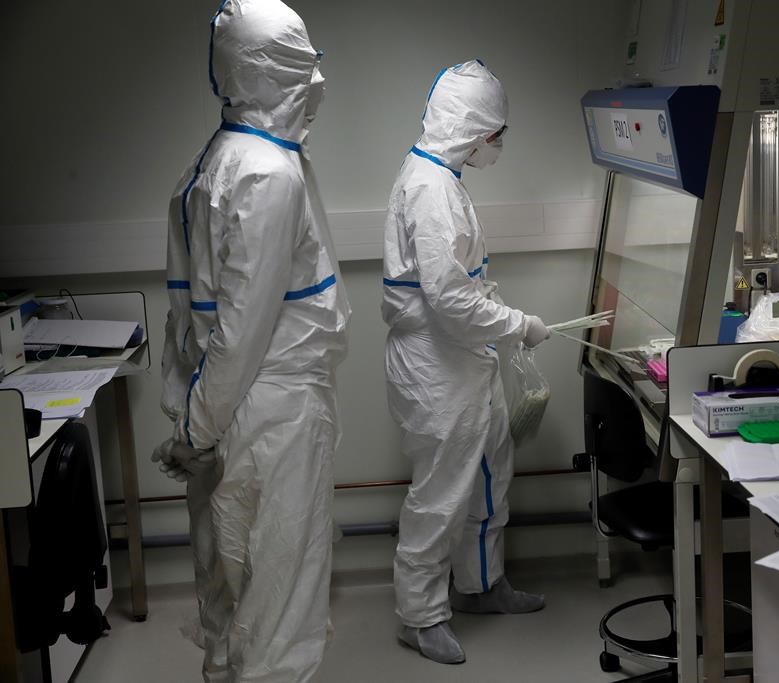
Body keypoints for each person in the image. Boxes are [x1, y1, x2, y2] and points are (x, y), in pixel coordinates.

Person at [153, 1, 350, 680]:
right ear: (265, 72)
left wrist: (191, 420)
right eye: (303, 64)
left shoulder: (219, 156)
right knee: (278, 610)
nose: (316, 79)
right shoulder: (270, 174)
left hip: (232, 410)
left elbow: (194, 316)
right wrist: (198, 430)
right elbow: (242, 333)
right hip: (273, 416)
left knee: (232, 595)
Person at [381, 59, 550, 665]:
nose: (497, 145)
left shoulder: (443, 176)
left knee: (488, 472)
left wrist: (499, 317)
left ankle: (481, 585)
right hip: (436, 365)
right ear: (472, 129)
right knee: (442, 490)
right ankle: (419, 615)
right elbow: (449, 300)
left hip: (462, 357)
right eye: (494, 133)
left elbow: (462, 280)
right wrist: (518, 327)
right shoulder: (429, 189)